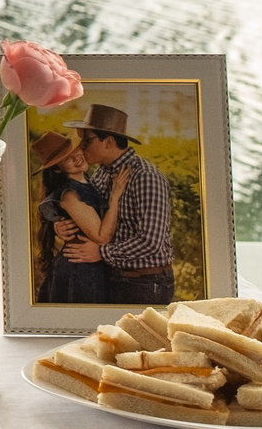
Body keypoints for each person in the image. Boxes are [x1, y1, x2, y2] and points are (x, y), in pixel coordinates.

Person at [56, 104, 175, 307]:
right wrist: (60, 225)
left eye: (86, 140)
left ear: (108, 142)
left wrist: (101, 253)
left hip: (144, 283)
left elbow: (150, 241)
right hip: (111, 277)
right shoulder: (102, 173)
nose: (81, 146)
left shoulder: (145, 177)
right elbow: (93, 217)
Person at [31, 130, 116, 305]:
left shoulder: (88, 183)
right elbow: (101, 236)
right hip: (79, 271)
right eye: (67, 158)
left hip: (90, 266)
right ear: (57, 168)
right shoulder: (70, 194)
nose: (76, 157)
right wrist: (115, 199)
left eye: (76, 150)